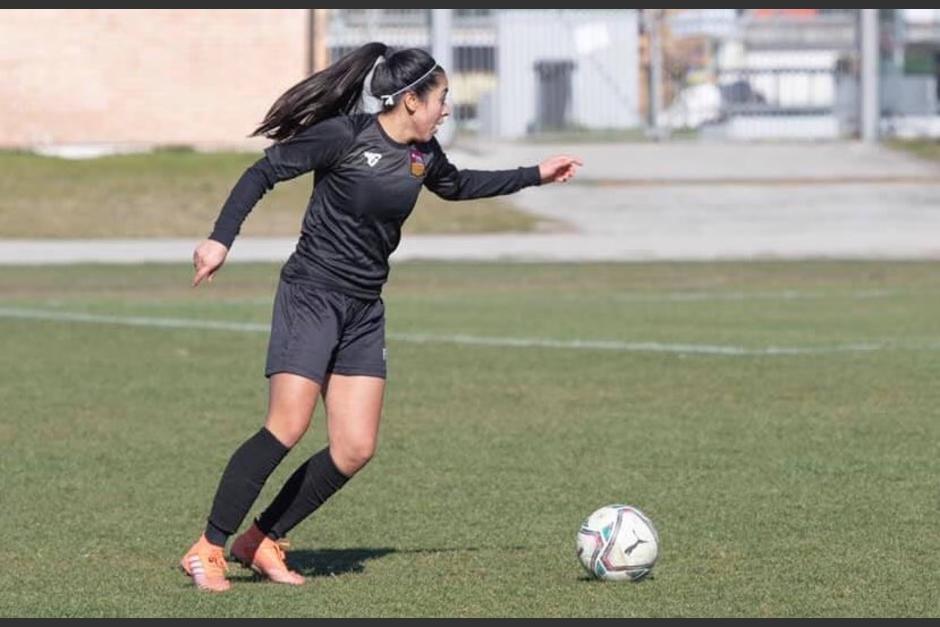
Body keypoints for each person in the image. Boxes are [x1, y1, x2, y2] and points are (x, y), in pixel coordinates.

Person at [180, 41, 582, 592]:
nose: (446, 109)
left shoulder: (423, 154)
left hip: (365, 307)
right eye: (441, 98)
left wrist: (535, 173)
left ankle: (262, 539)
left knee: (354, 448)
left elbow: (459, 185)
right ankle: (207, 547)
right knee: (287, 426)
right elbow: (261, 174)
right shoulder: (345, 135)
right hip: (312, 294)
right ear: (410, 100)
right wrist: (219, 241)